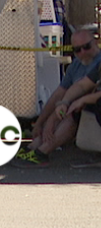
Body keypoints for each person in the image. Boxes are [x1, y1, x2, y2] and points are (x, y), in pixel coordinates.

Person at [15, 29, 101, 167]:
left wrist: (71, 105)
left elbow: (88, 93)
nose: (83, 52)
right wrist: (41, 121)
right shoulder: (76, 65)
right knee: (63, 109)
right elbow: (68, 91)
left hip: (87, 109)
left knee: (72, 110)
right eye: (77, 50)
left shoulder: (99, 61)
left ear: (96, 42)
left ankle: (42, 152)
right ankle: (35, 147)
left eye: (86, 47)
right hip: (81, 109)